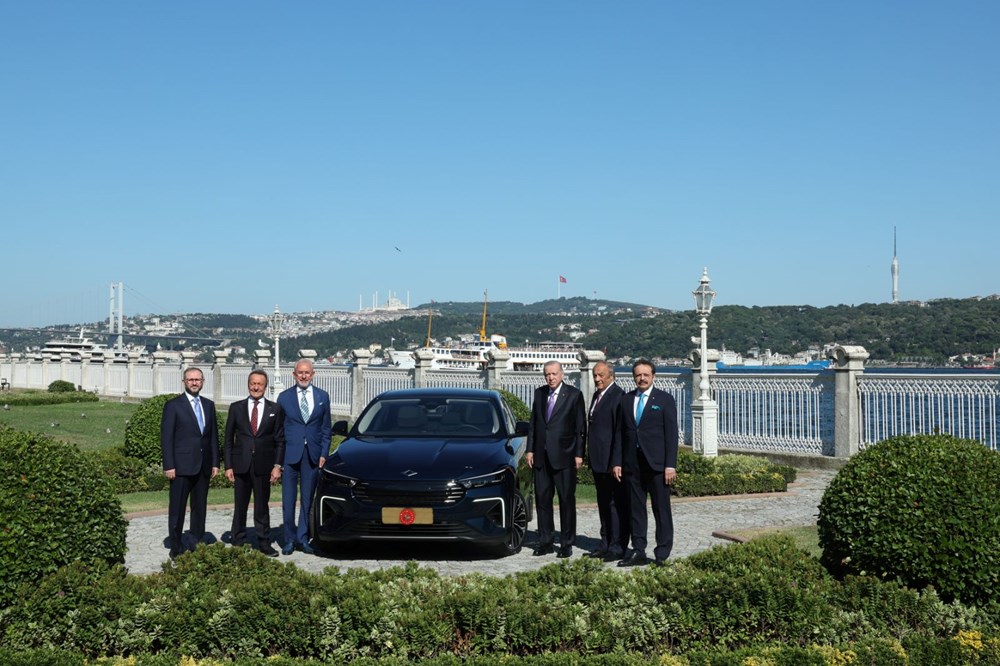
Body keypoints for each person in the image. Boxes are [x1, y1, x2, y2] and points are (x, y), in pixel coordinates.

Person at [612, 359, 678, 567]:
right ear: (634, 377)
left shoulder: (665, 400)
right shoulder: (626, 400)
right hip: (632, 464)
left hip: (657, 465)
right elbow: (620, 433)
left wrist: (670, 465)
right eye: (638, 375)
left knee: (661, 509)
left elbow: (672, 435)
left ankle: (662, 552)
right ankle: (638, 549)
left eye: (645, 375)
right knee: (636, 509)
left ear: (653, 376)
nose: (642, 378)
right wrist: (617, 462)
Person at [526, 360, 586, 558]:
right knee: (542, 500)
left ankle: (567, 543)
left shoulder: (574, 395)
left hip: (565, 456)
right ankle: (545, 541)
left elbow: (580, 428)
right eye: (547, 374)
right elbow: (534, 424)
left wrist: (579, 454)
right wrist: (530, 449)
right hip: (541, 457)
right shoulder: (539, 393)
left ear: (562, 374)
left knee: (566, 500)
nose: (550, 378)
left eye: (553, 374)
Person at [223, 370, 285, 557]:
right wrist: (228, 466)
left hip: (264, 465)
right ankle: (238, 540)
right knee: (240, 505)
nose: (256, 387)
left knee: (262, 507)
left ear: (265, 386)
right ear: (248, 384)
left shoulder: (275, 409)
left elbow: (280, 440)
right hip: (240, 464)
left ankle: (264, 542)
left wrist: (277, 466)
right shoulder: (236, 408)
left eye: (259, 384)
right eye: (253, 383)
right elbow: (228, 439)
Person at [161, 367, 219, 560]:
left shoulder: (208, 405)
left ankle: (196, 541)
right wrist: (169, 465)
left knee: (199, 507)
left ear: (203, 381)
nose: (194, 383)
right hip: (180, 466)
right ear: (184, 382)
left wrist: (215, 462)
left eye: (197, 379)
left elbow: (212, 436)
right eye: (190, 379)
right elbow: (167, 438)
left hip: (203, 466)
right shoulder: (173, 406)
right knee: (177, 509)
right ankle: (176, 547)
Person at [277, 359, 332, 555]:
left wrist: (324, 453)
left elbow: (326, 429)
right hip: (290, 455)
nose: (303, 376)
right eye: (300, 372)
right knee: (288, 500)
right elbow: (278, 431)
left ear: (313, 374)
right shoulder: (284, 398)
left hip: (313, 455)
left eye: (307, 372)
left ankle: (303, 538)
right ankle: (289, 539)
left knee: (307, 499)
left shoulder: (322, 397)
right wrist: (278, 460)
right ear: (294, 374)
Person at [585, 360, 629, 561]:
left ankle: (617, 546)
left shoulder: (618, 396)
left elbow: (619, 432)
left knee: (615, 504)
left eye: (601, 375)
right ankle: (605, 542)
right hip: (598, 460)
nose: (597, 379)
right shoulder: (597, 395)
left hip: (611, 462)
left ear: (611, 376)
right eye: (595, 375)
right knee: (603, 503)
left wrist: (616, 461)